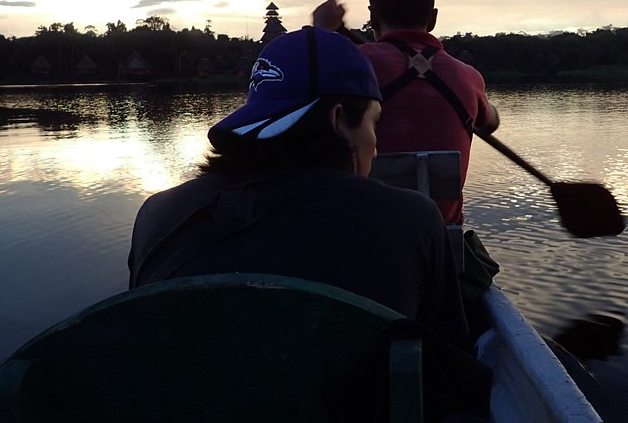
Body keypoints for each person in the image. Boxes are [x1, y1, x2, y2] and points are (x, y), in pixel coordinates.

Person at [127, 25, 468, 346]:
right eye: (373, 122)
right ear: (338, 119)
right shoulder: (413, 219)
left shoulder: (155, 217)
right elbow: (452, 375)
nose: (375, 145)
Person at [313, 0, 499, 225]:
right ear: (433, 18)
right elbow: (490, 123)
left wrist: (322, 32)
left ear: (373, 17)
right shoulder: (468, 77)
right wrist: (478, 100)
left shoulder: (352, 64)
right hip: (442, 250)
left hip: (365, 239)